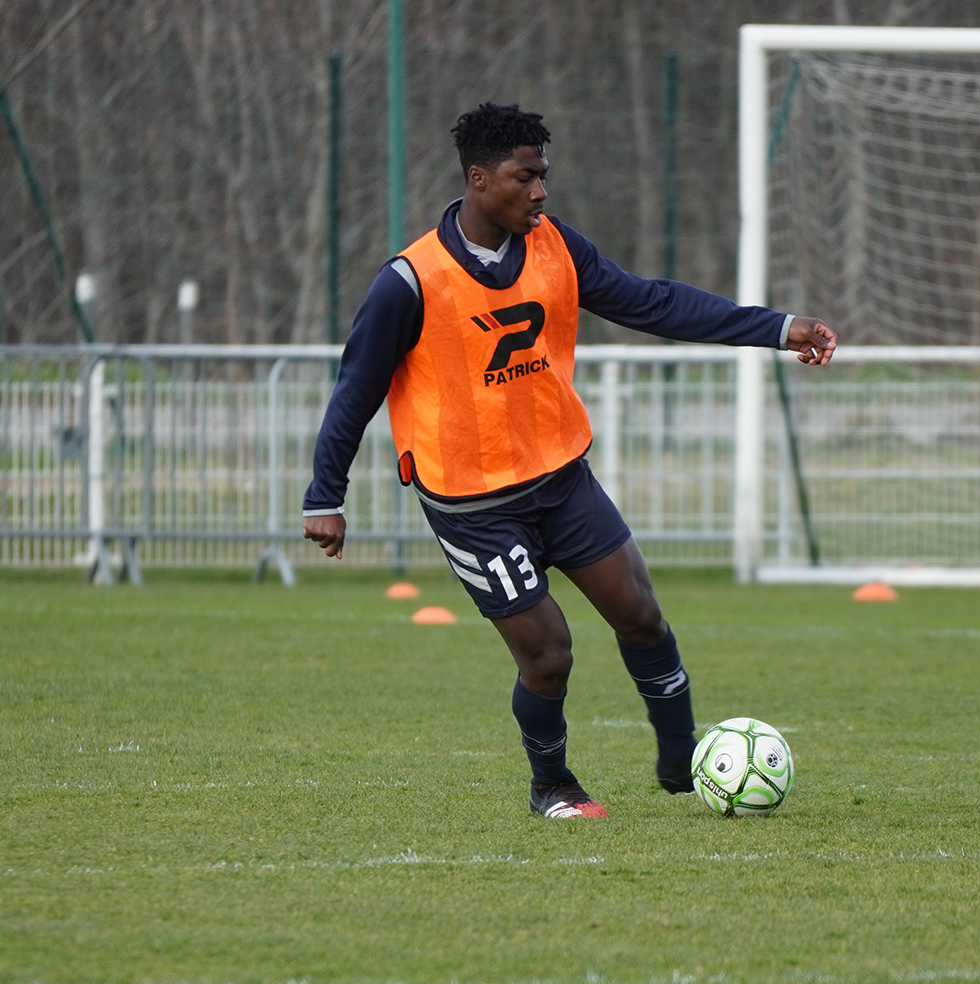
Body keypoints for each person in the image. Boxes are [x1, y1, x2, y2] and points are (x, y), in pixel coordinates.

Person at [301, 102, 838, 819]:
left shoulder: (557, 247)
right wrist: (324, 496)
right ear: (480, 178)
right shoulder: (410, 281)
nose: (541, 192)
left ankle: (685, 768)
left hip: (561, 478)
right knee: (549, 654)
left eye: (543, 176)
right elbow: (355, 390)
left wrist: (777, 328)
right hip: (473, 505)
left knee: (641, 616)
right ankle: (550, 785)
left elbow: (653, 304)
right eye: (526, 178)